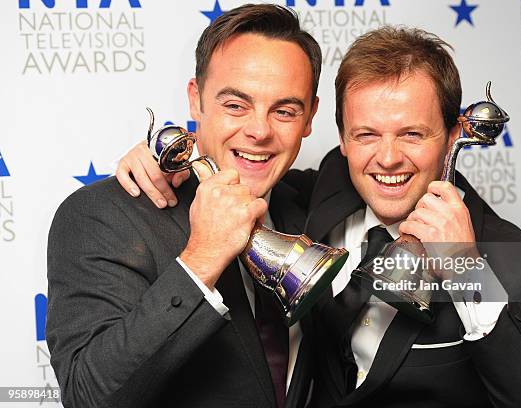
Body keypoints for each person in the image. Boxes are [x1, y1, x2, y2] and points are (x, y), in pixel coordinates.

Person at [115, 28, 521, 407]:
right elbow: (249, 167)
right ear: (341, 140)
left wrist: (466, 269)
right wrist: (163, 156)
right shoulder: (316, 195)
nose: (387, 158)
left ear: (452, 137)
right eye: (366, 134)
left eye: (411, 133)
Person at [47, 4, 321, 408]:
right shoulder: (102, 216)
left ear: (310, 117)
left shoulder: (312, 201)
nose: (259, 130)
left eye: (284, 111)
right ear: (196, 100)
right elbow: (88, 396)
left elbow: (389, 165)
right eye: (235, 105)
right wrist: (202, 258)